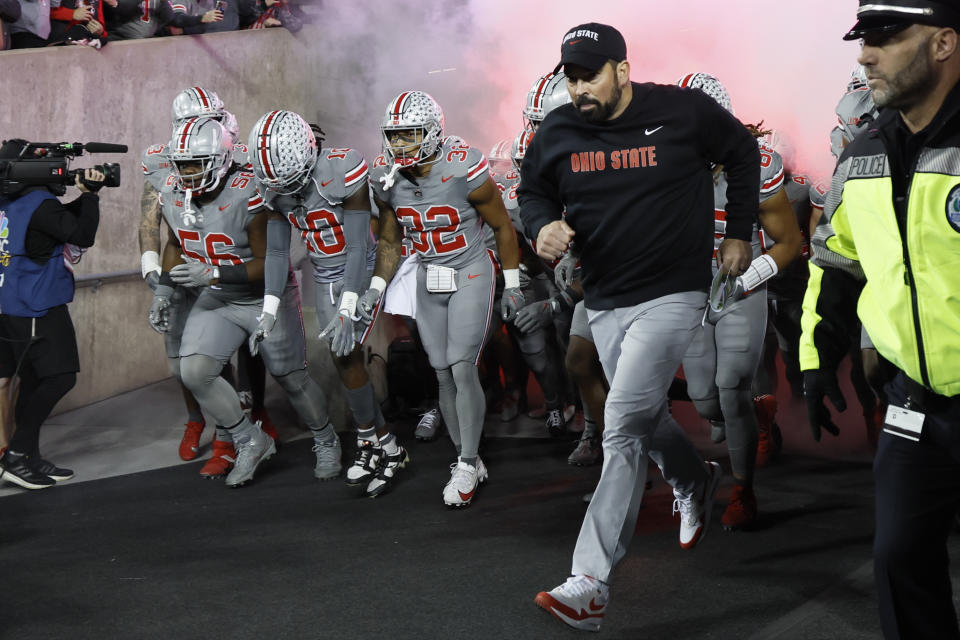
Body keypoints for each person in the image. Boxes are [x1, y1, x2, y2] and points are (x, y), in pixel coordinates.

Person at [520, 23, 760, 631]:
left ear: (622, 71)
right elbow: (532, 193)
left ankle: (590, 582)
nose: (579, 89)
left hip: (674, 290)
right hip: (604, 297)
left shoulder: (681, 111)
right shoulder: (557, 130)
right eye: (571, 78)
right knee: (644, 415)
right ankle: (694, 477)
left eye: (590, 75)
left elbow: (742, 151)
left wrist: (737, 230)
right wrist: (542, 225)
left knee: (622, 423)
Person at [801, 2, 960, 638]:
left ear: (945, 43)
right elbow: (835, 259)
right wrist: (816, 356)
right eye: (864, 39)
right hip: (910, 402)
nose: (866, 54)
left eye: (888, 38)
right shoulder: (861, 153)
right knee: (898, 560)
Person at [152, 117, 336, 488]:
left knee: (291, 377)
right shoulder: (171, 190)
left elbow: (273, 262)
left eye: (195, 164)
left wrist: (213, 274)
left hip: (265, 295)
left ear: (219, 160)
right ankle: (249, 439)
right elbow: (175, 241)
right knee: (194, 371)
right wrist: (165, 289)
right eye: (181, 163)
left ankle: (325, 438)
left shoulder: (247, 191)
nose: (186, 173)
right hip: (219, 296)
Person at [361, 90, 523, 508]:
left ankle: (468, 462)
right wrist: (376, 289)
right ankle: (465, 457)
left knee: (461, 365)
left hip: (470, 268)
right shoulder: (388, 176)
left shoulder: (461, 165)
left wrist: (515, 283)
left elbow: (504, 227)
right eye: (393, 136)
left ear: (432, 133)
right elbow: (391, 238)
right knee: (441, 372)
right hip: (429, 273)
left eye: (410, 135)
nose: (399, 145)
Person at [247, 109, 406, 496]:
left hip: (360, 268)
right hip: (322, 273)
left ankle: (381, 444)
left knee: (346, 350)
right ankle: (379, 442)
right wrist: (267, 312)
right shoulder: (272, 183)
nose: (285, 188)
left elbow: (356, 246)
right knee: (343, 359)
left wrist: (350, 306)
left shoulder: (340, 167)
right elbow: (275, 254)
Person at [675, 73, 803, 530]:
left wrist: (750, 277)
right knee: (704, 398)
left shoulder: (755, 162)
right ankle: (758, 412)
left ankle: (742, 491)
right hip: (691, 284)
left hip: (740, 282)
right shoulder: (665, 161)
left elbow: (789, 241)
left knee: (730, 387)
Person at [141, 87, 276, 473]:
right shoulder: (167, 165)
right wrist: (157, 275)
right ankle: (207, 423)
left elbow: (272, 253)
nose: (193, 135)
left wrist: (217, 271)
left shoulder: (244, 168)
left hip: (236, 276)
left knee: (256, 359)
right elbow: (159, 224)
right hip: (189, 270)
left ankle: (236, 435)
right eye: (184, 127)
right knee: (185, 361)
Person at [0, 139, 106, 489]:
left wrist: (82, 195)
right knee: (60, 378)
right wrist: (90, 196)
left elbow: (53, 224)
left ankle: (29, 457)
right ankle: (15, 456)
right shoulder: (41, 205)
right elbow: (82, 234)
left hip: (12, 303)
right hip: (37, 304)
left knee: (33, 381)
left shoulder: (12, 203)